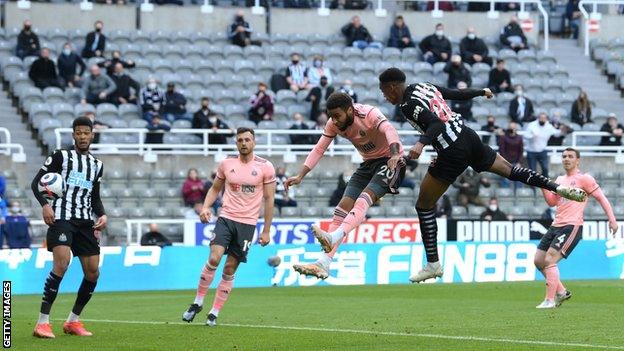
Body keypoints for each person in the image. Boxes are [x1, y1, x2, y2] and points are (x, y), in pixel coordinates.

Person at [377, 67, 588, 283]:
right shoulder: (423, 86)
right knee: (511, 170)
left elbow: (436, 124)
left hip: (452, 151)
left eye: (385, 91)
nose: (385, 96)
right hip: (469, 137)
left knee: (424, 205)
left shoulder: (407, 104)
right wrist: (480, 92)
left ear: (393, 86)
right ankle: (557, 187)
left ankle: (433, 264)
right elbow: (454, 93)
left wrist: (421, 144)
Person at [285, 92, 406, 279]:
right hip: (368, 164)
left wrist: (396, 154)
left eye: (337, 116)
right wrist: (301, 175)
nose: (334, 120)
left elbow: (390, 130)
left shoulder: (369, 114)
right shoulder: (333, 124)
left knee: (364, 198)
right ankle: (324, 263)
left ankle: (334, 236)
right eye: (331, 116)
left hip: (390, 160)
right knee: (342, 208)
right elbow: (319, 148)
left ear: (350, 110)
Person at [181, 127, 276, 326]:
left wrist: (266, 230)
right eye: (240, 140)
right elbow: (215, 188)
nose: (243, 143)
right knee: (214, 258)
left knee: (230, 269)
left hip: (248, 224)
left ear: (254, 142)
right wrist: (206, 207)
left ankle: (214, 313)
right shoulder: (226, 163)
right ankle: (198, 302)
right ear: (236, 143)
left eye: (247, 140)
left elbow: (269, 200)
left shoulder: (266, 167)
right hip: (226, 218)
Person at [31, 117, 107, 338]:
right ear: (73, 135)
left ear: (92, 135)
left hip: (85, 223)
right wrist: (45, 205)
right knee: (62, 264)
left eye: (86, 133)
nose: (83, 136)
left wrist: (102, 214)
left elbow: (95, 197)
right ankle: (42, 323)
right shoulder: (60, 156)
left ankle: (73, 321)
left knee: (93, 273)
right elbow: (37, 182)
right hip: (61, 218)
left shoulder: (97, 165)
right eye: (79, 133)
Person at [535, 148, 618, 309]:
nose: (566, 159)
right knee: (538, 261)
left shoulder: (584, 178)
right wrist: (543, 186)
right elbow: (552, 202)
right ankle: (561, 292)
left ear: (577, 160)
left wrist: (612, 220)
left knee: (550, 260)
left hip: (572, 225)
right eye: (564, 156)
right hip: (555, 225)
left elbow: (601, 198)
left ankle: (549, 300)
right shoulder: (559, 179)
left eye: (570, 156)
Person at [524, 113, 563, 178]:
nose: (542, 119)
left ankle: (544, 184)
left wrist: (562, 130)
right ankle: (533, 186)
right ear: (538, 118)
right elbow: (525, 135)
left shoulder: (548, 126)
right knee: (532, 171)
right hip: (531, 151)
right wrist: (532, 136)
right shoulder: (531, 125)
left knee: (545, 168)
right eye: (541, 118)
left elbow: (556, 133)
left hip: (542, 151)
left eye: (544, 118)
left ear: (546, 119)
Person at [498, 122, 523, 188]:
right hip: (506, 162)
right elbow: (502, 150)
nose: (512, 129)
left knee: (519, 179)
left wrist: (519, 162)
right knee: (505, 180)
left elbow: (521, 151)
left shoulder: (519, 138)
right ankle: (505, 195)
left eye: (513, 127)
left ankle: (518, 194)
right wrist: (504, 162)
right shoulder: (503, 137)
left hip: (516, 162)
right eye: (511, 127)